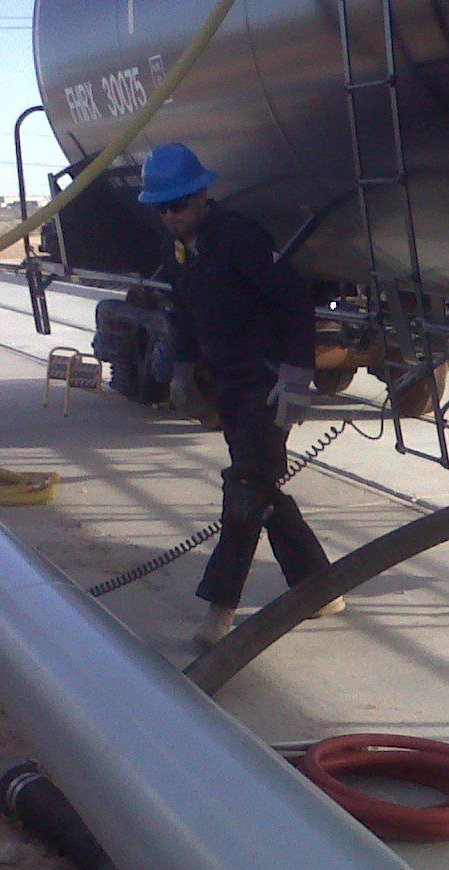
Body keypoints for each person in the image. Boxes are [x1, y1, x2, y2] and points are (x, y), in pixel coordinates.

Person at [137, 142, 344, 647]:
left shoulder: (241, 239)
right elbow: (183, 313)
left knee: (247, 489)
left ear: (202, 195)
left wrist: (297, 376)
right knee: (265, 487)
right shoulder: (177, 251)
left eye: (178, 205)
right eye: (161, 208)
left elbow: (294, 302)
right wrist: (183, 368)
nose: (170, 216)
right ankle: (322, 587)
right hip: (229, 384)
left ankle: (220, 608)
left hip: (267, 382)